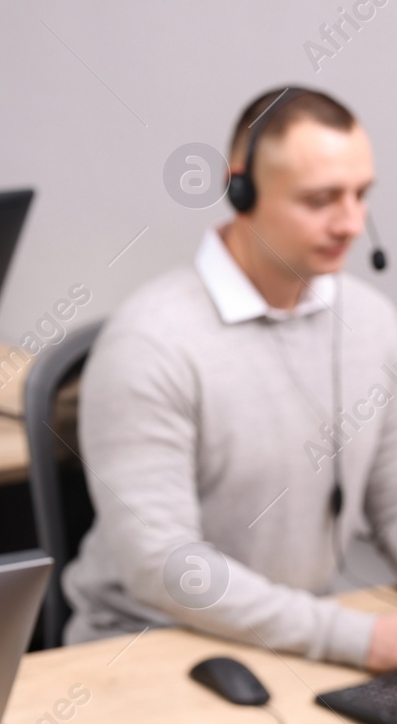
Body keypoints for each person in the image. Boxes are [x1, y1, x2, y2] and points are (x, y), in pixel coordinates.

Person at [63, 86, 397, 669]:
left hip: (294, 639)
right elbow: (166, 568)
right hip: (148, 649)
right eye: (320, 200)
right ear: (240, 189)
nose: (350, 223)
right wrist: (357, 639)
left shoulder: (370, 322)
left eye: (360, 195)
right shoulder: (151, 344)